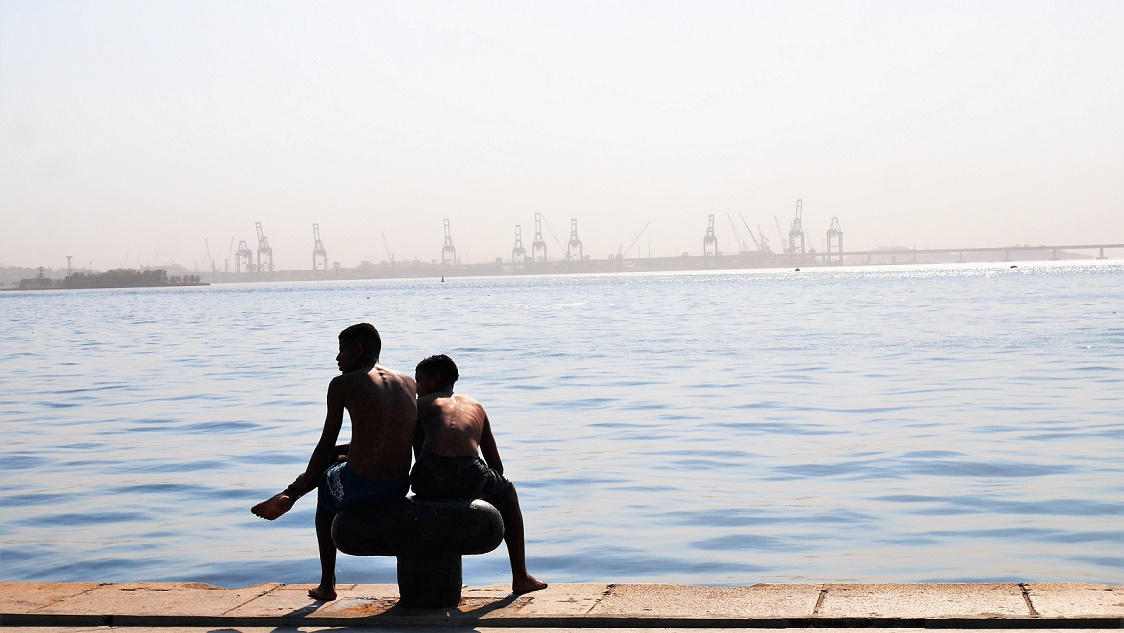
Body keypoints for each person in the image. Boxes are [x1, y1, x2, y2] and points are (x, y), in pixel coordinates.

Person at [251, 323, 417, 601]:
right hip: (399, 485)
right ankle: (291, 494)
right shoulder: (408, 382)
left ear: (358, 350)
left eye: (341, 351)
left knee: (327, 482)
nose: (337, 358)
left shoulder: (343, 384)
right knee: (336, 459)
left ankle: (327, 583)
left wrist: (306, 479)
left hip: (362, 487)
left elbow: (326, 441)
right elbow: (387, 438)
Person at [410, 354, 547, 594]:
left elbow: (409, 448)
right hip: (470, 472)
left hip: (429, 472)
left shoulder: (419, 405)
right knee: (508, 492)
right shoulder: (476, 406)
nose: (416, 388)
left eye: (419, 381)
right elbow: (496, 465)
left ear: (435, 379)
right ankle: (520, 577)